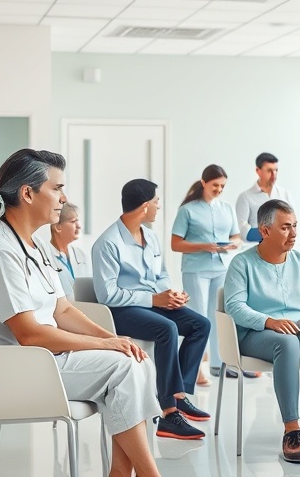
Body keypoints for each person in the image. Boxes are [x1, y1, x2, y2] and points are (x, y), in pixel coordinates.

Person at [0, 149, 162, 477]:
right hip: (8, 370)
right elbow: (30, 334)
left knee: (136, 359)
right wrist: (104, 346)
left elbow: (62, 308)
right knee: (124, 369)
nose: (63, 197)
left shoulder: (35, 245)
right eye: (56, 188)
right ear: (28, 193)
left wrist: (113, 339)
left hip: (40, 360)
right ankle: (148, 474)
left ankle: (122, 474)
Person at [92, 178, 211, 441]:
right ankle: (169, 414)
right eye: (157, 202)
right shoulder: (108, 243)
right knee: (166, 328)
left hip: (153, 303)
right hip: (122, 311)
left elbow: (162, 275)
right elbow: (107, 295)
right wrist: (154, 300)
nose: (159, 207)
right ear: (145, 206)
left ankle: (178, 395)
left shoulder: (152, 238)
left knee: (201, 325)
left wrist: (172, 294)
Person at [223, 199, 300, 464]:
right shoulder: (242, 264)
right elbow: (234, 307)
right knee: (286, 344)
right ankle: (292, 431)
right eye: (286, 228)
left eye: (295, 226)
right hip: (256, 334)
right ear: (264, 231)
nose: (294, 233)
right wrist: (269, 321)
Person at [170, 164, 255, 385]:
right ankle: (195, 368)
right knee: (199, 318)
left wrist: (231, 245)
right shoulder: (187, 210)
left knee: (221, 317)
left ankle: (221, 364)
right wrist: (203, 246)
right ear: (203, 183)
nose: (219, 189)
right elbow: (175, 244)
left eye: (222, 186)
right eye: (215, 185)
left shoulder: (226, 208)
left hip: (221, 268)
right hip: (196, 269)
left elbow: (237, 236)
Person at [236, 152, 293, 239]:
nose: (274, 175)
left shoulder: (284, 194)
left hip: (282, 247)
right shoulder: (245, 197)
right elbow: (241, 227)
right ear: (258, 171)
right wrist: (268, 234)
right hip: (257, 248)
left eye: (276, 170)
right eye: (269, 171)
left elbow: (292, 220)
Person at [48, 202, 91, 300]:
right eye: (73, 221)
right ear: (57, 227)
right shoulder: (44, 256)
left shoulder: (82, 255)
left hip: (87, 307)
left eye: (78, 221)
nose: (79, 225)